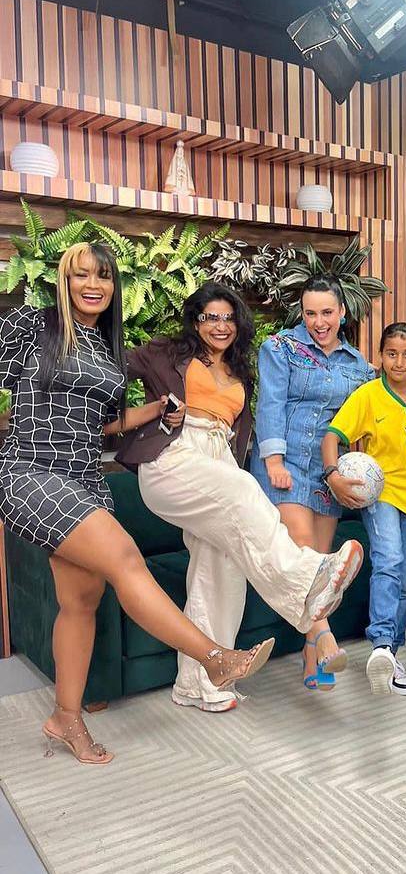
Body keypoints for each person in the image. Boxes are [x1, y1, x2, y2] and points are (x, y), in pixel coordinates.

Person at [0, 244, 273, 764]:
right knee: (126, 558)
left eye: (103, 276)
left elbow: (105, 425)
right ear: (63, 280)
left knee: (81, 602)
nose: (93, 285)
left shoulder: (107, 348)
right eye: (81, 275)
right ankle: (214, 658)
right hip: (32, 470)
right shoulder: (34, 326)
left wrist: (157, 412)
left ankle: (65, 718)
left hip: (85, 475)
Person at [118, 282, 364, 712]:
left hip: (217, 459)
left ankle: (201, 684)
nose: (220, 326)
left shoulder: (239, 370)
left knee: (222, 567)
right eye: (210, 317)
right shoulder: (167, 352)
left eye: (228, 318)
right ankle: (306, 582)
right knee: (245, 487)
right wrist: (148, 411)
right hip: (173, 457)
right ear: (196, 321)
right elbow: (110, 368)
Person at [251, 275, 375, 690]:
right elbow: (270, 403)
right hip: (285, 466)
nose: (319, 322)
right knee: (306, 553)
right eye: (310, 313)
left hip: (326, 473)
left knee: (323, 567)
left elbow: (365, 420)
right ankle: (324, 637)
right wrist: (273, 460)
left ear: (342, 312)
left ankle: (310, 656)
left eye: (327, 312)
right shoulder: (280, 348)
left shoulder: (359, 366)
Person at [322, 322, 406, 696]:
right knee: (389, 561)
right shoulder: (368, 396)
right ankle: (382, 643)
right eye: (391, 354)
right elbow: (332, 436)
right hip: (382, 495)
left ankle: (391, 656)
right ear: (381, 356)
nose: (399, 362)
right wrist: (333, 475)